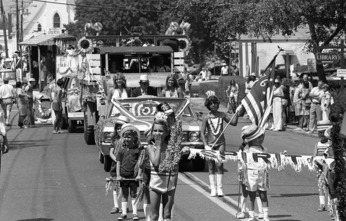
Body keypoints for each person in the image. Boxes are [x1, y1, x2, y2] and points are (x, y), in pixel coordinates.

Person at [146, 108, 189, 221]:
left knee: (167, 214)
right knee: (154, 215)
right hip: (155, 184)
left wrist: (185, 150)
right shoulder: (150, 147)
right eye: (155, 131)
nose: (157, 133)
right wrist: (159, 146)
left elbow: (178, 157)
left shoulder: (172, 147)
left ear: (166, 132)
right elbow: (155, 163)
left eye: (160, 131)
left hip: (169, 183)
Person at [200, 91, 238, 197]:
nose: (213, 105)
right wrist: (205, 145)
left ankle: (220, 188)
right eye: (211, 103)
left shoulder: (222, 115)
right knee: (211, 165)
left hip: (221, 143)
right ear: (208, 105)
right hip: (210, 144)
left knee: (220, 164)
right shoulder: (206, 117)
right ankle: (213, 188)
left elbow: (234, 123)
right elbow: (202, 133)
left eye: (215, 103)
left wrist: (237, 113)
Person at [240, 124, 270, 221]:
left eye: (262, 137)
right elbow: (243, 162)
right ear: (252, 139)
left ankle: (265, 216)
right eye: (258, 137)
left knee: (263, 195)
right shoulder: (247, 150)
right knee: (251, 195)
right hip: (251, 174)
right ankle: (251, 216)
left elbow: (269, 160)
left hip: (263, 174)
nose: (261, 139)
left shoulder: (264, 149)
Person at [116, 123, 142, 221]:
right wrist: (118, 175)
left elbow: (140, 164)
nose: (126, 139)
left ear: (135, 138)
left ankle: (135, 213)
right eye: (125, 137)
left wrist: (139, 175)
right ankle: (124, 213)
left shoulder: (138, 150)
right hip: (123, 175)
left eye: (129, 137)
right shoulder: (121, 150)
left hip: (133, 176)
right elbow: (118, 163)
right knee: (124, 194)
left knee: (134, 194)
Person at [109, 115, 130, 214]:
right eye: (117, 128)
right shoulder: (114, 140)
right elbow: (111, 152)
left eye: (120, 128)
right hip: (115, 166)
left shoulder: (128, 141)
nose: (118, 130)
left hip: (125, 166)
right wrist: (117, 161)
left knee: (124, 186)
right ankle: (116, 206)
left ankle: (124, 206)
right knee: (115, 185)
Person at [312, 137, 331, 212]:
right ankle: (329, 205)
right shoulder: (329, 145)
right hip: (328, 165)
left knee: (321, 186)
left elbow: (314, 155)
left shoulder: (317, 144)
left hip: (320, 166)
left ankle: (322, 204)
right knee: (329, 186)